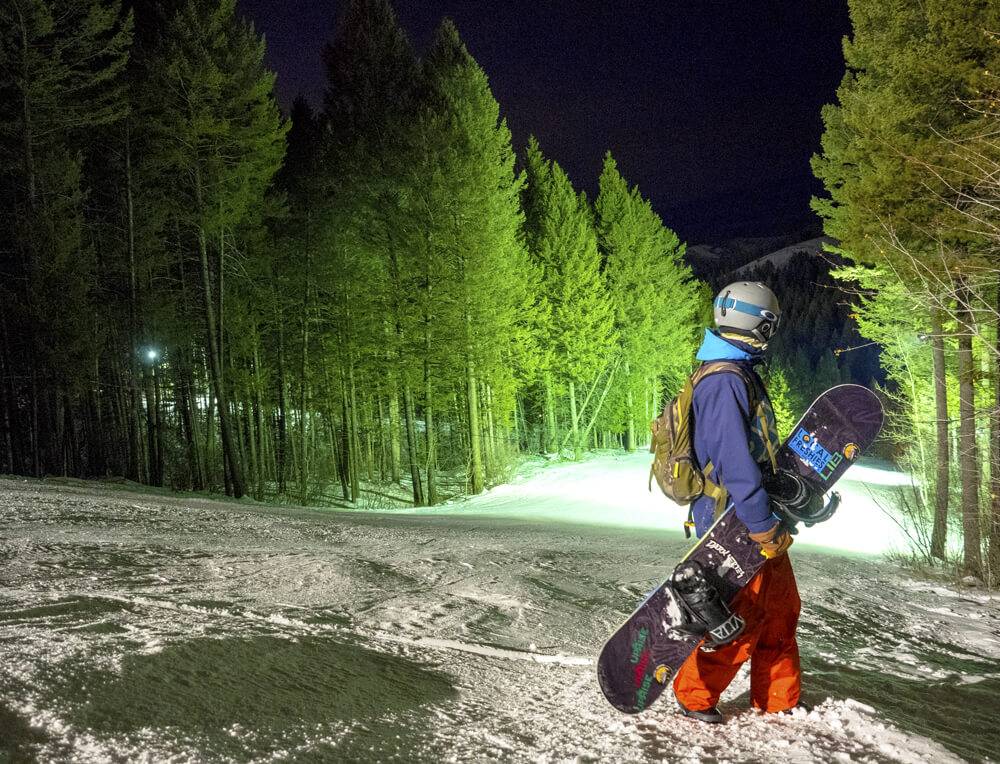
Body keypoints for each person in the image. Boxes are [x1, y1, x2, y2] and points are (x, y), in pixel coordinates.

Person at [672, 281, 802, 724]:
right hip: (733, 519)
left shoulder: (736, 370)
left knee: (781, 607)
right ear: (760, 324)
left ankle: (777, 698)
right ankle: (694, 694)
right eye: (771, 323)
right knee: (740, 614)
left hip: (752, 510)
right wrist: (760, 521)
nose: (773, 330)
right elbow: (732, 459)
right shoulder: (725, 378)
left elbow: (755, 451)